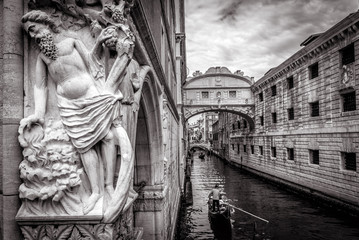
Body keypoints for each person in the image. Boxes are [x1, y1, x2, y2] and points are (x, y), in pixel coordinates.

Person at [20, 10, 134, 215]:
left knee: (107, 137)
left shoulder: (71, 42)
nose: (33, 36)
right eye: (30, 34)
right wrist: (38, 113)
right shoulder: (42, 57)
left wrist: (99, 41)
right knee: (83, 146)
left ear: (45, 24)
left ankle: (108, 186)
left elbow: (92, 61)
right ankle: (95, 192)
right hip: (68, 105)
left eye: (34, 29)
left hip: (90, 96)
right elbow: (40, 86)